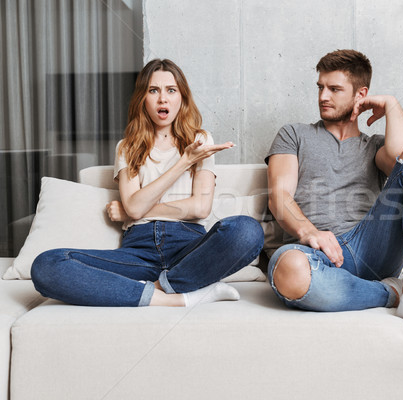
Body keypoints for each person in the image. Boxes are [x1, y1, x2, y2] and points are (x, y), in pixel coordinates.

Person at [31, 59, 264, 307]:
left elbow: (200, 208)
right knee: (47, 265)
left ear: (182, 98)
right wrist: (183, 163)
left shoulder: (200, 139)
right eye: (153, 90)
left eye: (171, 90)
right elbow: (134, 208)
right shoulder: (127, 147)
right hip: (137, 253)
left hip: (190, 249)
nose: (162, 99)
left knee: (247, 230)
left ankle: (160, 285)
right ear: (143, 98)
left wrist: (133, 209)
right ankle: (176, 297)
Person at [265, 49, 403, 337]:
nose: (323, 96)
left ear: (361, 94)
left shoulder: (374, 146)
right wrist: (309, 232)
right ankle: (399, 293)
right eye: (320, 87)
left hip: (372, 245)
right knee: (288, 270)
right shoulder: (294, 134)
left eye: (334, 89)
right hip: (317, 255)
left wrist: (392, 105)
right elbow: (279, 196)